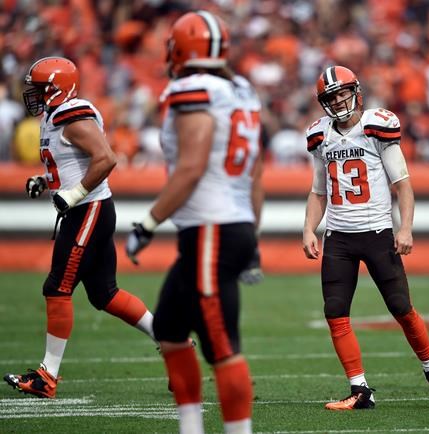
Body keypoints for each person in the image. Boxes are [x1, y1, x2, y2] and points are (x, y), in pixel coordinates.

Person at [125, 10, 263, 434]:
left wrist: (148, 223)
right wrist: (252, 236)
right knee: (168, 328)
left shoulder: (192, 87)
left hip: (210, 230)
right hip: (229, 225)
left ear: (184, 47)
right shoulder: (240, 90)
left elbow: (191, 167)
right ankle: (191, 428)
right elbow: (256, 174)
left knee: (221, 345)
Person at [302, 65, 429, 410]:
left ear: (356, 92)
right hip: (339, 236)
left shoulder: (377, 126)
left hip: (377, 232)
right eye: (332, 96)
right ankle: (359, 389)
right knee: (335, 312)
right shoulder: (319, 136)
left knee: (401, 308)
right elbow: (318, 192)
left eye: (343, 93)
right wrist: (308, 229)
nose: (340, 100)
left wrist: (405, 227)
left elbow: (402, 184)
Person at [3, 57, 157, 399]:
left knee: (57, 286)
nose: (34, 95)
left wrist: (72, 194)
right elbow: (73, 164)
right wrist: (45, 181)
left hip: (88, 209)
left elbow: (106, 158)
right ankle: (169, 339)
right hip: (89, 208)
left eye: (40, 89)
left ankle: (47, 377)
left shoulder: (71, 115)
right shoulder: (53, 117)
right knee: (105, 294)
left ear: (57, 88)